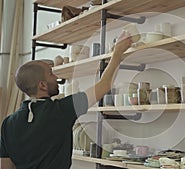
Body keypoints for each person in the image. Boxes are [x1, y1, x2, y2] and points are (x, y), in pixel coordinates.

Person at [0, 31, 132, 169]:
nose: (55, 76)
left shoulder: (7, 124)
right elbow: (104, 85)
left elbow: (5, 167)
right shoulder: (61, 110)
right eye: (51, 73)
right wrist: (118, 51)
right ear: (42, 85)